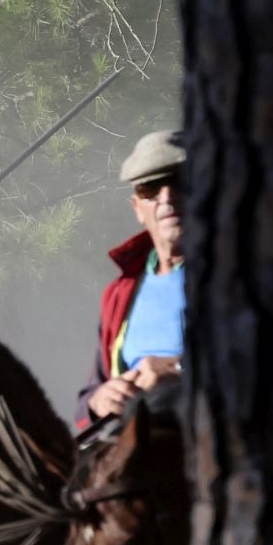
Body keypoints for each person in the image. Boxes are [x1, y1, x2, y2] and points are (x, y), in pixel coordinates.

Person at [76, 130, 186, 429]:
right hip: (133, 456)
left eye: (179, 181)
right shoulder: (121, 292)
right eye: (150, 187)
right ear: (137, 207)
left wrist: (180, 371)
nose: (167, 197)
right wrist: (100, 401)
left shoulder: (243, 275)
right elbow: (89, 397)